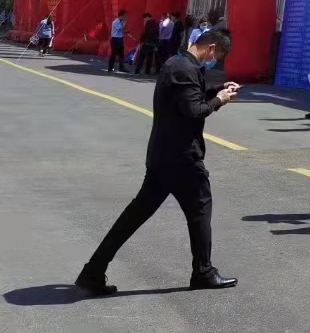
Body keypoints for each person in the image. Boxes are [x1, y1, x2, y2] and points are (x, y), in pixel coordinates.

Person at [75, 28, 241, 294]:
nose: (215, 60)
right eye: (217, 55)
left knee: (134, 216)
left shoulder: (176, 63)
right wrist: (218, 101)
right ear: (211, 48)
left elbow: (191, 95)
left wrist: (219, 89)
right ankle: (203, 272)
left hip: (162, 156)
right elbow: (194, 110)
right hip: (183, 158)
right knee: (200, 211)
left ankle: (93, 271)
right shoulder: (187, 69)